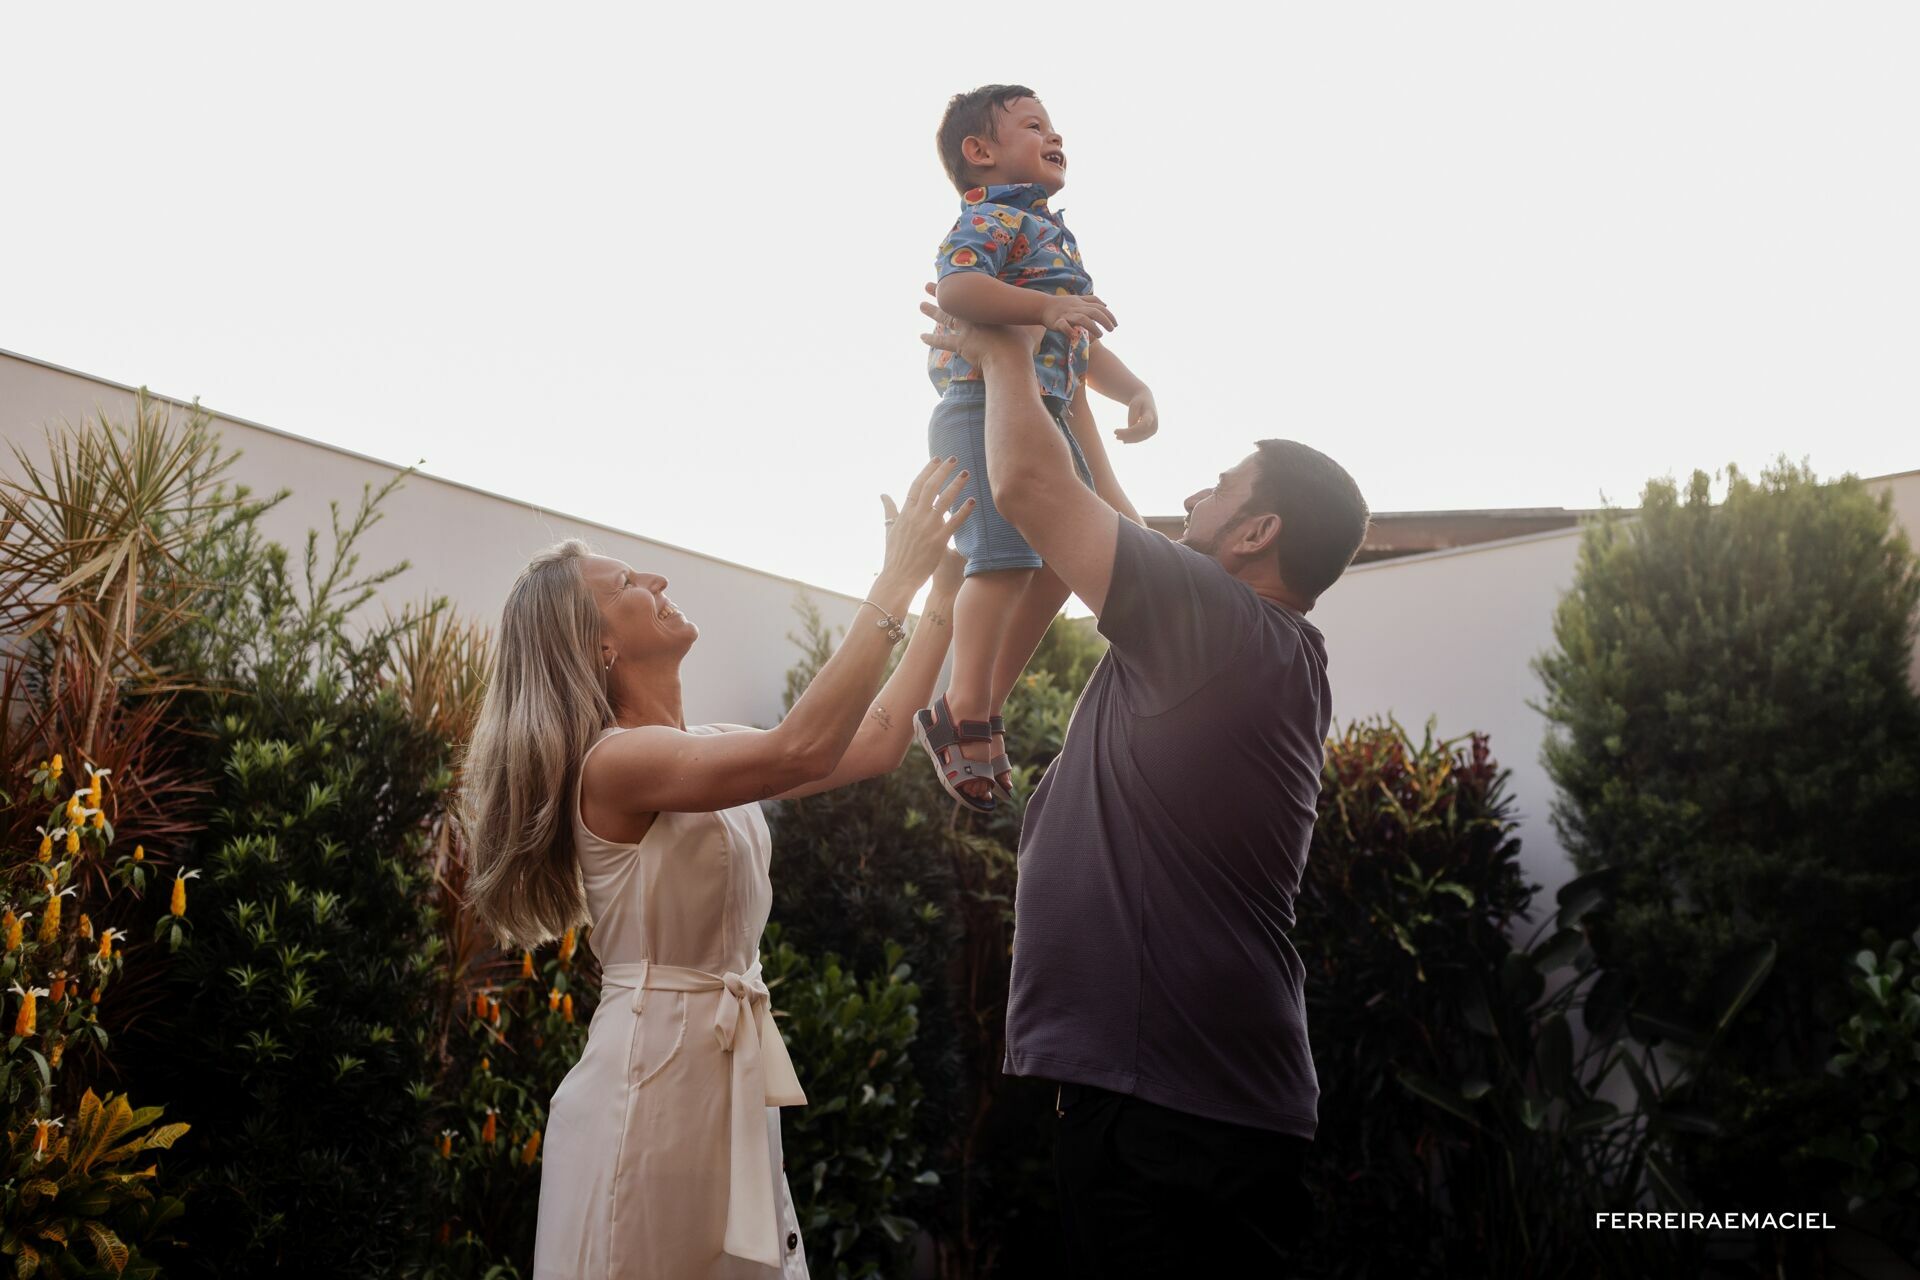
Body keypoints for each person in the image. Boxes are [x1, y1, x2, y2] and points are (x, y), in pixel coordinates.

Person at [921, 307, 1371, 1277]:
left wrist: (1003, 344)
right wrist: (1072, 389)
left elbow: (1035, 489)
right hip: (1178, 1095)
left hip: (1172, 1108)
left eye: (1221, 487)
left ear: (1256, 531)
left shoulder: (1222, 626)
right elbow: (1106, 517)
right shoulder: (1227, 634)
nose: (1195, 491)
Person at [460, 459, 974, 1279]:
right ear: (597, 644)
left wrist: (940, 590)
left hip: (723, 1068)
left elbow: (874, 741)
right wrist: (894, 574)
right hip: (651, 1079)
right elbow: (799, 747)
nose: (657, 578)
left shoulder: (702, 750)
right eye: (626, 580)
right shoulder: (615, 765)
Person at [918, 84, 1159, 812]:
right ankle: (962, 708)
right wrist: (1046, 305)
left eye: (1054, 125)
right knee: (1003, 559)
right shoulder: (989, 219)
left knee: (1064, 559)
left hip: (1046, 419)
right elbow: (958, 289)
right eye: (1033, 125)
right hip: (980, 407)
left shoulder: (1051, 235)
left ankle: (986, 698)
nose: (1055, 134)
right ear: (980, 153)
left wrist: (1136, 388)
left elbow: (1077, 340)